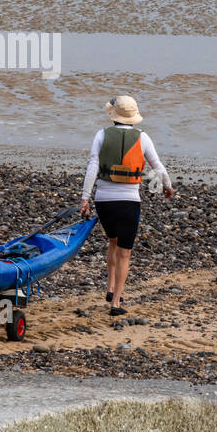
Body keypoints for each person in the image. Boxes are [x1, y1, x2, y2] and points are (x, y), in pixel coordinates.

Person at [79, 95, 172, 315]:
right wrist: (167, 186)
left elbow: (92, 166)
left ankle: (110, 288)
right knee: (125, 252)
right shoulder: (143, 137)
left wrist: (85, 198)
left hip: (104, 201)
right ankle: (116, 303)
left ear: (113, 115)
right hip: (129, 202)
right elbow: (156, 166)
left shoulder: (101, 135)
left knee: (112, 241)